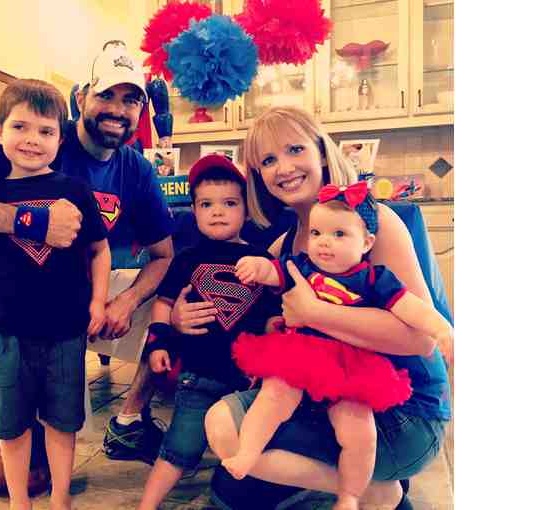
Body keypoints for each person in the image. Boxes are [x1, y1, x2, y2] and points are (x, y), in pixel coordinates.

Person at [171, 106, 451, 510]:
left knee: (237, 447)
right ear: (259, 176)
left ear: (321, 151)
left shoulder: (374, 223)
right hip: (326, 394)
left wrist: (315, 313)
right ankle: (368, 490)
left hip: (403, 413)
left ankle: (364, 489)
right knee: (224, 435)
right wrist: (180, 318)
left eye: (294, 149)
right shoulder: (280, 248)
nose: (283, 168)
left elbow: (422, 340)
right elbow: (249, 316)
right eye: (268, 160)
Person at [0, 41, 175, 467]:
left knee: (170, 304)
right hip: (2, 309)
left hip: (69, 303)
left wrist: (124, 301)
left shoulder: (136, 169)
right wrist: (31, 222)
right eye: (106, 94)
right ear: (82, 98)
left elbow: (163, 254)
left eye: (131, 100)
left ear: (142, 112)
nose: (117, 109)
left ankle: (129, 420)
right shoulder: (35, 135)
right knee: (36, 468)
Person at [221, 182, 453, 510]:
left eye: (339, 234)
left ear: (367, 243)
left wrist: (441, 329)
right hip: (301, 356)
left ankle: (352, 495)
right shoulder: (302, 266)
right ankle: (247, 453)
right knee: (274, 396)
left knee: (359, 430)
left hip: (351, 367)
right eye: (316, 233)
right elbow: (272, 272)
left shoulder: (374, 279)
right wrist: (256, 268)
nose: (324, 242)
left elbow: (411, 309)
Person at [0, 78, 111, 510]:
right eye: (19, 127)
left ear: (60, 139)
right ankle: (19, 501)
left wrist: (98, 301)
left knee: (62, 422)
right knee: (11, 427)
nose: (32, 140)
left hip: (66, 332)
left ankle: (60, 499)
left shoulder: (75, 191)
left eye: (46, 130)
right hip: (5, 335)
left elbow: (99, 250)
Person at [136, 154, 282, 510]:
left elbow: (270, 314)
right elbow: (163, 304)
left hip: (248, 381)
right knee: (180, 447)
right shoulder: (186, 259)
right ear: (194, 211)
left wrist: (273, 338)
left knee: (248, 445)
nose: (217, 212)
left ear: (246, 211)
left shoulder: (261, 261)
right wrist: (158, 343)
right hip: (198, 375)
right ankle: (147, 505)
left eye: (229, 203)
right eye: (206, 204)